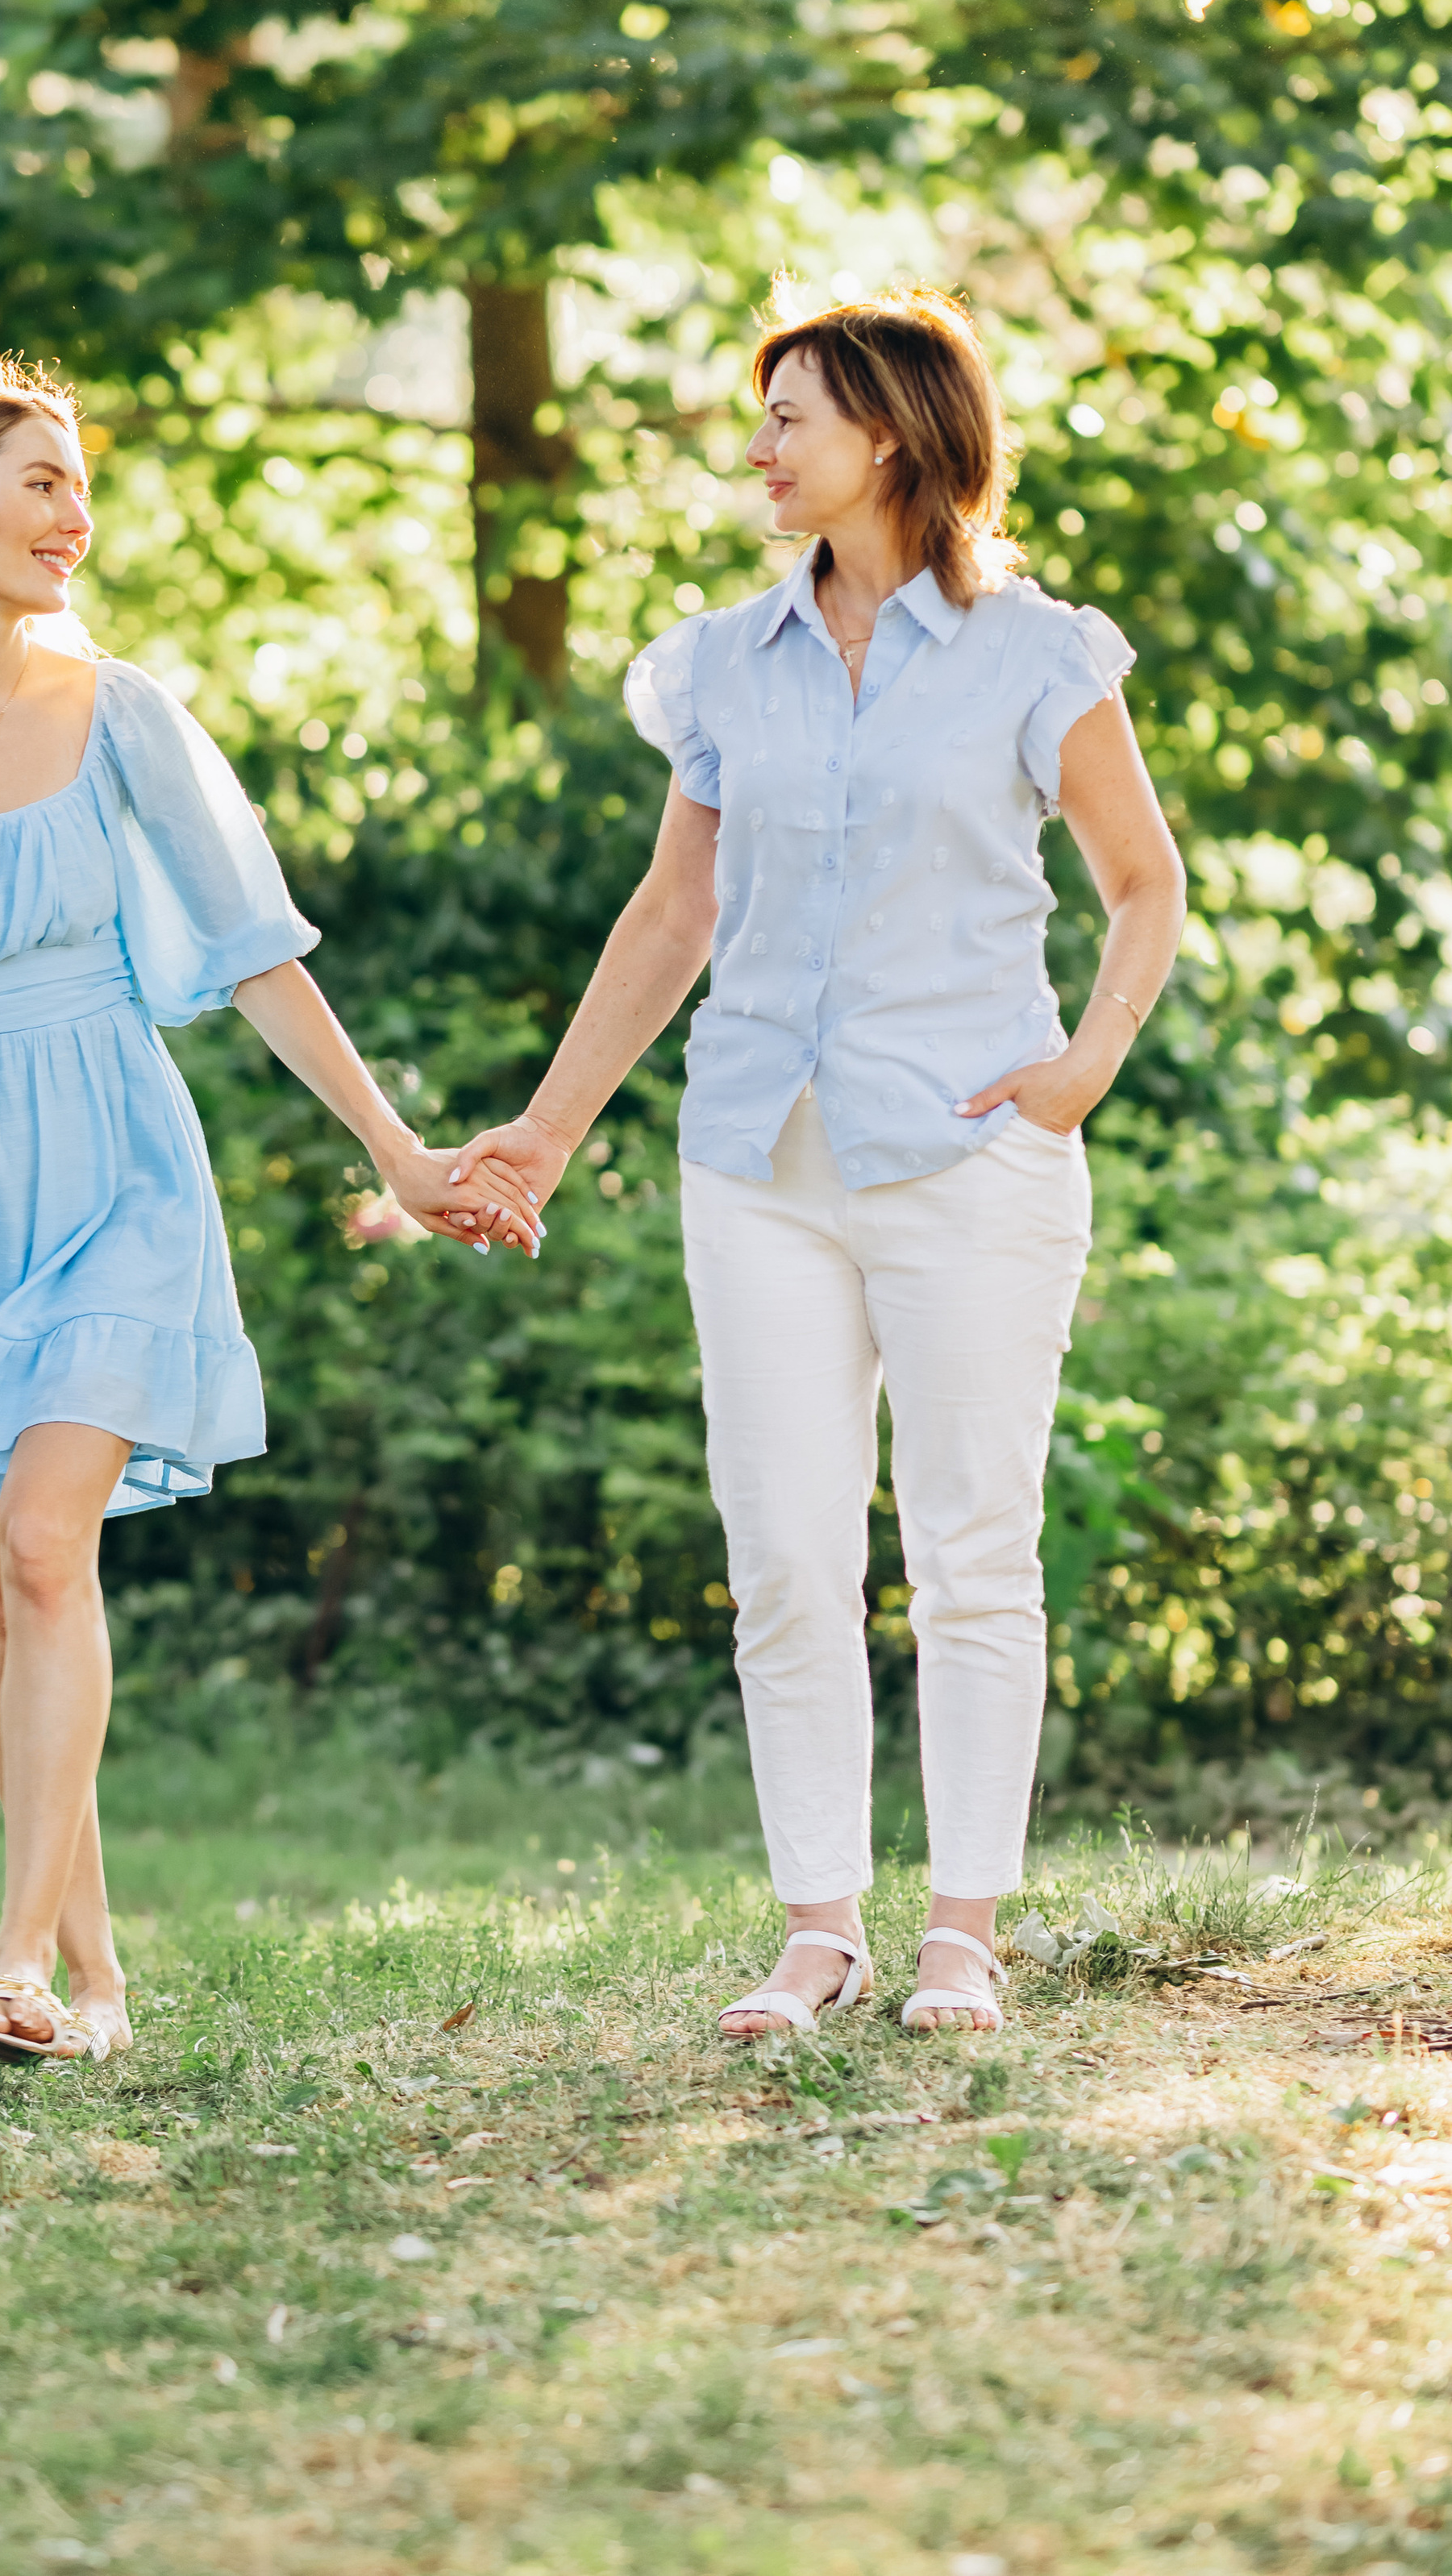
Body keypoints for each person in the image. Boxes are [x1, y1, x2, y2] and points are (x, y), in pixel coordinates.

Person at [0, 353, 533, 2061]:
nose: (76, 517)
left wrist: (392, 1142)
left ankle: (4, 1960)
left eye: (81, 486)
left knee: (55, 1546)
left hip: (115, 1165)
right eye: (40, 484)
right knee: (8, 1596)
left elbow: (254, 951)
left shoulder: (121, 709)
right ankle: (95, 1981)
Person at [451, 289, 1185, 2037]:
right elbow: (676, 907)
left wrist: (1077, 1066)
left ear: (895, 435)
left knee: (968, 1549)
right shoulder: (717, 659)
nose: (760, 444)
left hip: (964, 1156)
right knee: (780, 1548)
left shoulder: (1033, 653)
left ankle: (960, 1932)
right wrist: (544, 1131)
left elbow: (1139, 882)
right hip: (754, 1157)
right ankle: (817, 1928)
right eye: (762, 411)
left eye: (791, 414)